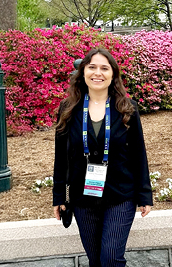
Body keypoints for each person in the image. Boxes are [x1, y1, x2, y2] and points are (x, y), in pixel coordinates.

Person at [53, 48, 152, 267]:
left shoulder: (127, 108)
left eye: (104, 68)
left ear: (113, 74)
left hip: (121, 195)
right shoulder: (68, 109)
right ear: (83, 72)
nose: (98, 73)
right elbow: (61, 157)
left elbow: (139, 154)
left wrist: (145, 195)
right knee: (96, 260)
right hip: (83, 196)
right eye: (92, 67)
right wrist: (58, 196)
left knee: (111, 257)